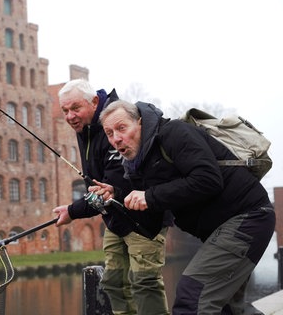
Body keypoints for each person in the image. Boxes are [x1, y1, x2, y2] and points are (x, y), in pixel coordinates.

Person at [99, 100, 276, 314]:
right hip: (223, 230)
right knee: (228, 309)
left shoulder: (174, 133)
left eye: (121, 128)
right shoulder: (137, 168)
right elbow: (152, 226)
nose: (116, 138)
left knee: (192, 300)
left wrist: (150, 196)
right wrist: (119, 198)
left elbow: (208, 179)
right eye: (109, 133)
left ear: (140, 123)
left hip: (248, 218)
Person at [52, 79, 170, 315]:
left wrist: (73, 211)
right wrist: (73, 209)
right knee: (113, 283)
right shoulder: (85, 127)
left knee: (144, 283)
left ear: (94, 102)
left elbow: (111, 188)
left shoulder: (114, 125)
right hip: (115, 219)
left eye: (75, 108)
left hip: (143, 218)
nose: (70, 116)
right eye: (65, 110)